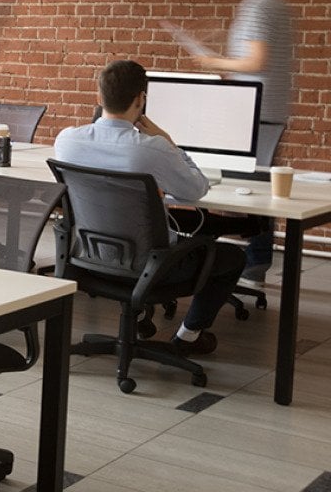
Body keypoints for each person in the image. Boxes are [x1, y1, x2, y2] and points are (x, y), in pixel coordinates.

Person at [55, 60, 247, 355]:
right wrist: (168, 141)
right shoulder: (151, 148)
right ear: (140, 99)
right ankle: (188, 336)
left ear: (99, 97)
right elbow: (195, 190)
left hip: (88, 258)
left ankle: (145, 318)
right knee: (232, 256)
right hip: (150, 267)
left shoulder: (67, 141)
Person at [195, 0, 293, 289]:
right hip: (269, 108)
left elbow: (256, 62)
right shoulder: (278, 4)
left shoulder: (258, 6)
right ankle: (254, 264)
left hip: (256, 112)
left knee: (248, 192)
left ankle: (249, 266)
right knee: (258, 189)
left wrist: (215, 63)